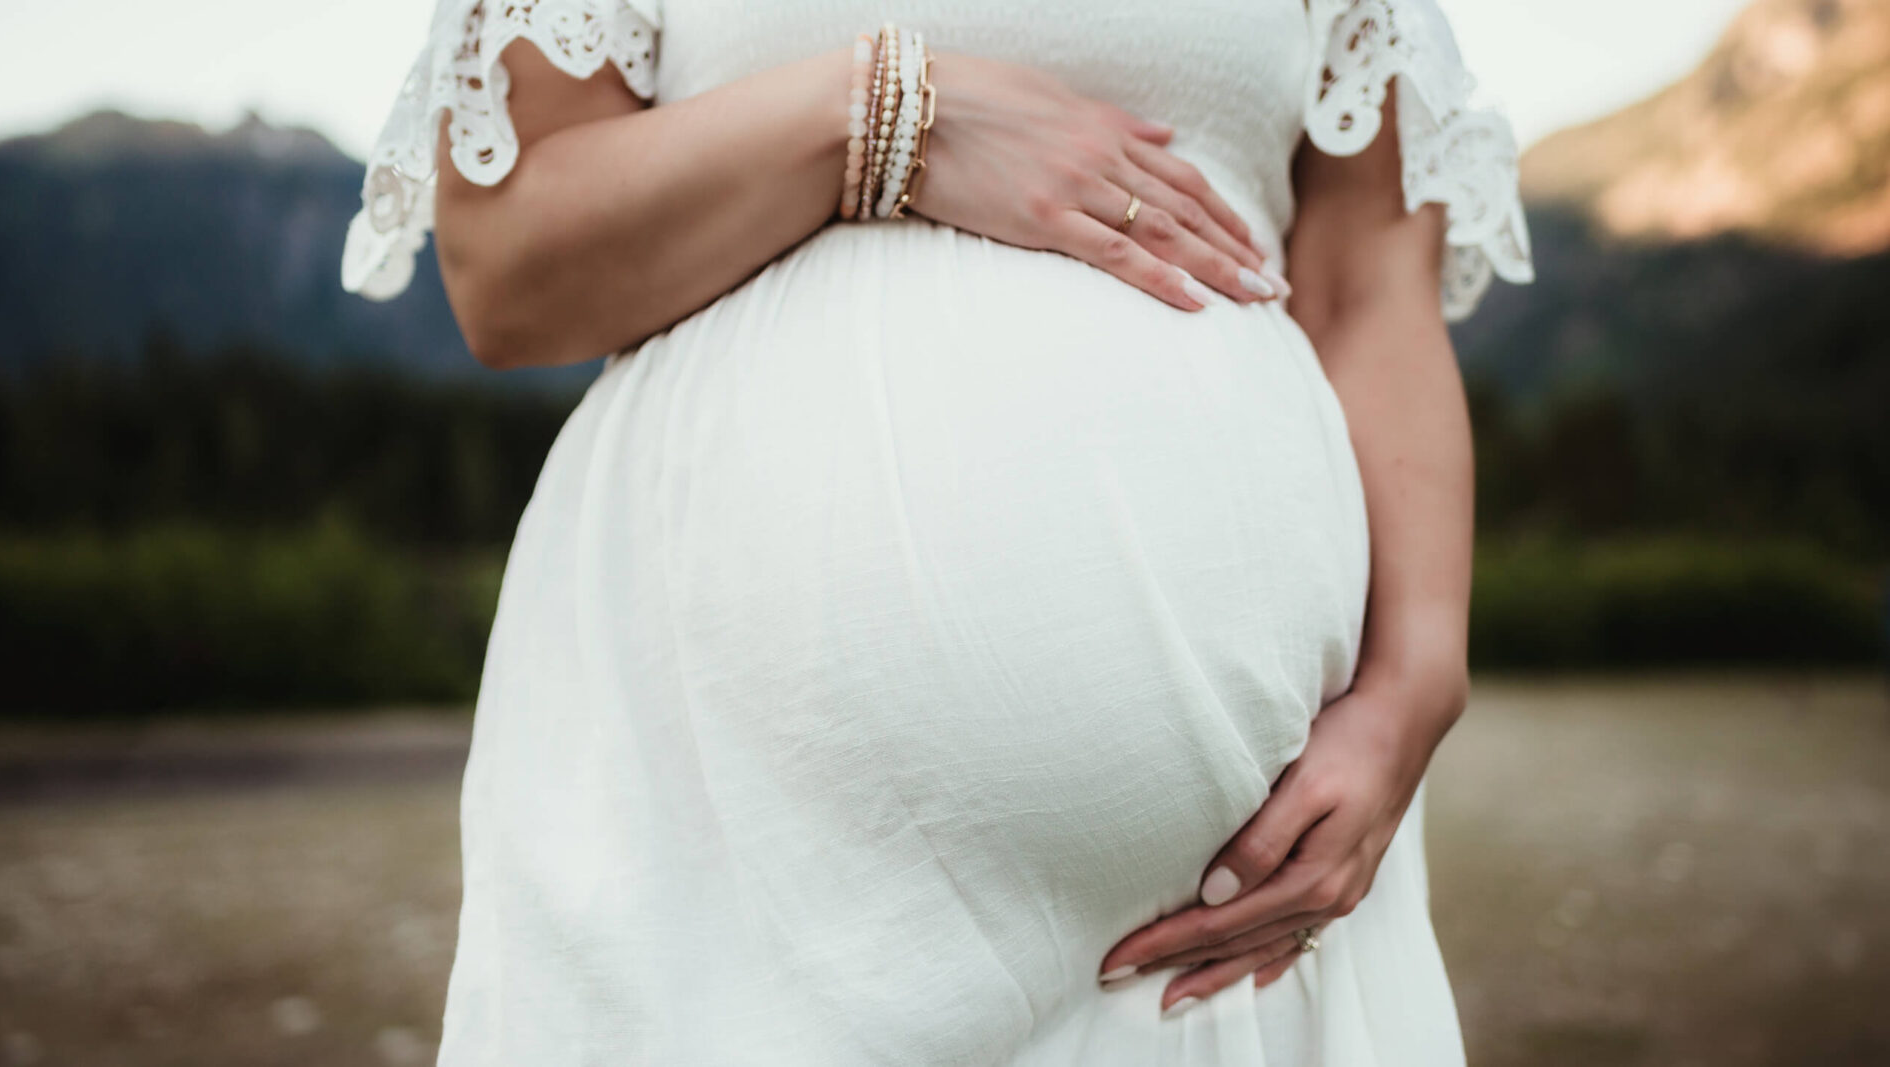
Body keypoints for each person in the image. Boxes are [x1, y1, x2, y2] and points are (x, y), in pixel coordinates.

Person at [342, 0, 1533, 1062]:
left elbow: (1371, 283)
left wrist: (1414, 675)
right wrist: (888, 110)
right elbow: (507, 266)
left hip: (1226, 936)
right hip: (731, 854)